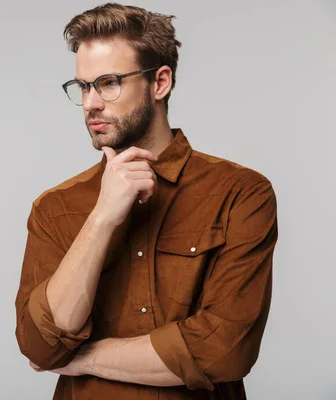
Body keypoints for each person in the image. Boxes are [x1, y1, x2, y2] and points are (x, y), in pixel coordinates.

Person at [14, 3, 278, 399]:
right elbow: (39, 345)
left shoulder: (239, 193)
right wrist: (102, 216)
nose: (90, 103)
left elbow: (225, 351)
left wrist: (81, 358)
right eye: (83, 86)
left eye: (107, 83)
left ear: (159, 83)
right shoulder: (55, 208)